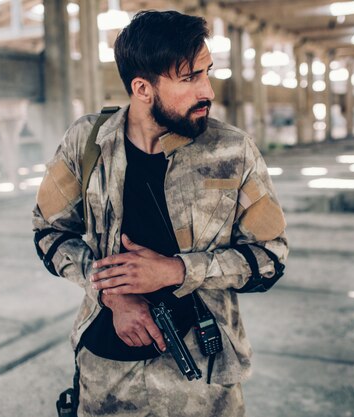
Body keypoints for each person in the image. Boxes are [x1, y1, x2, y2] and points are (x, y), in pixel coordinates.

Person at [32, 9, 288, 417]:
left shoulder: (233, 151)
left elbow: (271, 258)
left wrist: (178, 271)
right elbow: (48, 232)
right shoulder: (88, 141)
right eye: (189, 78)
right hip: (106, 375)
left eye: (207, 72)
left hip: (203, 381)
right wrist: (109, 291)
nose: (207, 90)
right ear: (142, 89)